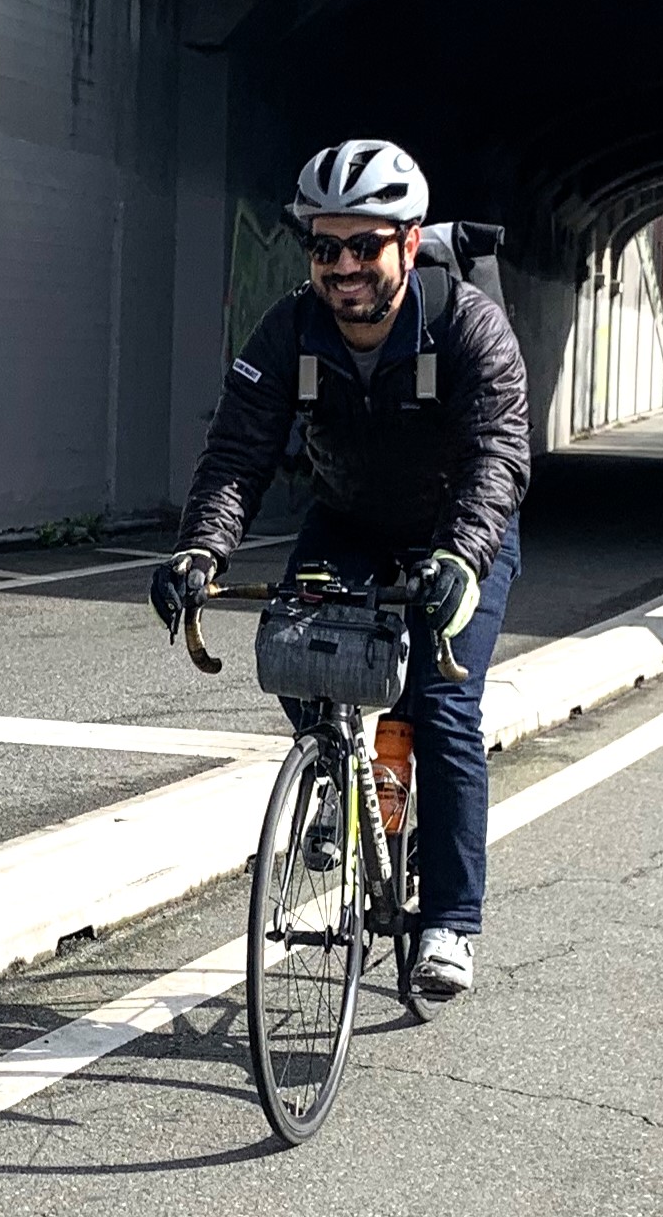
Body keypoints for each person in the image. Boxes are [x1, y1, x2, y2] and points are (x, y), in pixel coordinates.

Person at [151, 140, 530, 999]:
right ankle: (336, 769)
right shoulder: (291, 329)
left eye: (366, 245)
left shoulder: (468, 324)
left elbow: (499, 452)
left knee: (442, 709)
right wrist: (199, 549)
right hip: (351, 520)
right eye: (326, 247)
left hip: (458, 531)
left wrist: (462, 559)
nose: (344, 266)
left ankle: (450, 923)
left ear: (409, 240)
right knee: (299, 647)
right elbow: (237, 452)